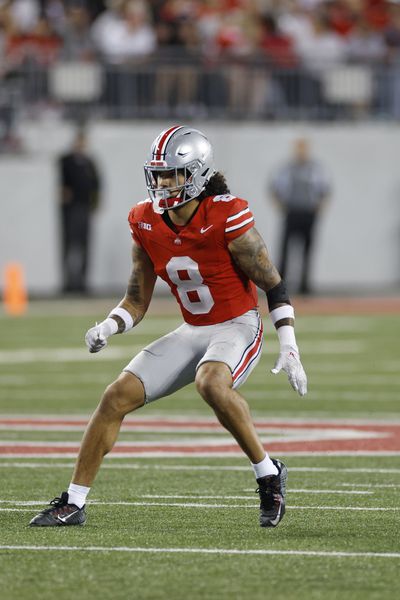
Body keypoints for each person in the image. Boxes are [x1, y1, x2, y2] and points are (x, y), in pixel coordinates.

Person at [30, 125, 307, 530]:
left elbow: (273, 283)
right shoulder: (144, 220)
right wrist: (109, 325)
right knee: (115, 397)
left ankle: (268, 473)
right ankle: (73, 502)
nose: (161, 183)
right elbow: (137, 299)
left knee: (211, 383)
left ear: (195, 173)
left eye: (170, 174)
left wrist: (290, 345)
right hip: (192, 329)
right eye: (157, 174)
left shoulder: (227, 215)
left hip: (237, 325)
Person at [270, 137, 331, 295]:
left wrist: (319, 208)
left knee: (307, 250)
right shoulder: (287, 168)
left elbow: (324, 189)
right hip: (292, 212)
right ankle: (279, 284)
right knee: (285, 250)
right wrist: (281, 206)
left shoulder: (315, 169)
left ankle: (305, 285)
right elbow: (274, 187)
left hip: (308, 213)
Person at [58, 129, 101, 294]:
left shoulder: (89, 163)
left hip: (85, 208)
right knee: (70, 245)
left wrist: (95, 204)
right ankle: (69, 282)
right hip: (71, 210)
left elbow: (97, 184)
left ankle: (82, 282)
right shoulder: (67, 161)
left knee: (85, 246)